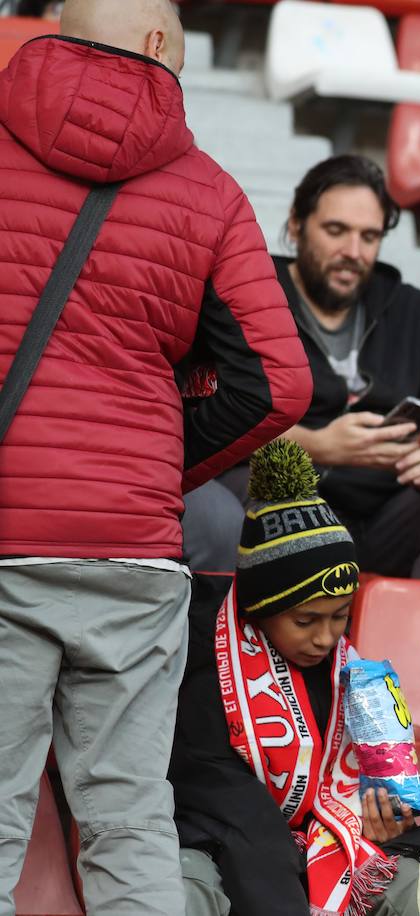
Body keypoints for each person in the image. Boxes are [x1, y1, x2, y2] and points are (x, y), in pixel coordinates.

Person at [0, 0, 312, 911]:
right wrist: (151, 471)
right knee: (132, 819)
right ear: (157, 45)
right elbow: (279, 385)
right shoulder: (208, 189)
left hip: (8, 539)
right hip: (134, 552)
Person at [171, 440, 420, 916]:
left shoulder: (353, 678)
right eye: (305, 621)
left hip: (327, 844)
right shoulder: (203, 660)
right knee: (179, 889)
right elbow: (228, 809)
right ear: (259, 609)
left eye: (340, 616)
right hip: (221, 847)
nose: (325, 638)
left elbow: (372, 792)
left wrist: (386, 820)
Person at [184, 155, 420, 580]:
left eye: (369, 237)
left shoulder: (413, 309)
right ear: (296, 225)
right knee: (268, 493)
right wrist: (318, 445)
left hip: (389, 506)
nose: (353, 252)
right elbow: (207, 409)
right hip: (279, 493)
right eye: (336, 231)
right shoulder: (250, 291)